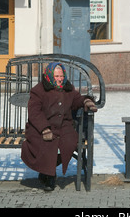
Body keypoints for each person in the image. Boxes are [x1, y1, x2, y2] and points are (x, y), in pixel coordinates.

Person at [21, 62, 97, 191]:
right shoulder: (39, 90)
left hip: (64, 126)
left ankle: (46, 172)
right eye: (56, 76)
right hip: (40, 127)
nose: (60, 79)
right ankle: (49, 176)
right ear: (49, 75)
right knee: (46, 144)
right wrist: (44, 128)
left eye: (61, 76)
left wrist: (86, 101)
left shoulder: (68, 88)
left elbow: (76, 100)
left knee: (70, 143)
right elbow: (34, 112)